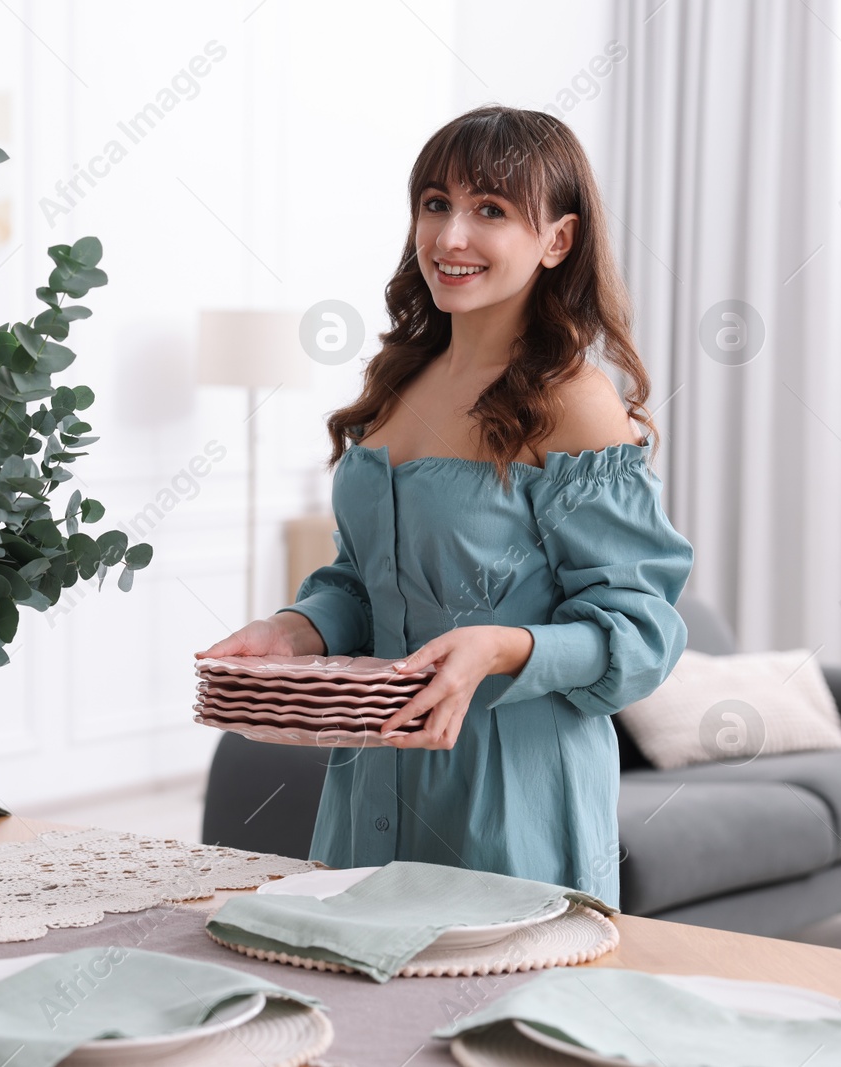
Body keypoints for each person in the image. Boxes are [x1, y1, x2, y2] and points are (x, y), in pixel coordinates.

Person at [196, 105, 694, 908]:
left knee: (491, 1022)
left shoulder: (576, 404)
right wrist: (294, 629)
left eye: (489, 210)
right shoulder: (396, 382)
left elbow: (641, 630)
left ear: (557, 240)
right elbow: (363, 582)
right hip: (369, 782)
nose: (450, 236)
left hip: (513, 794)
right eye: (435, 203)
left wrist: (499, 646)